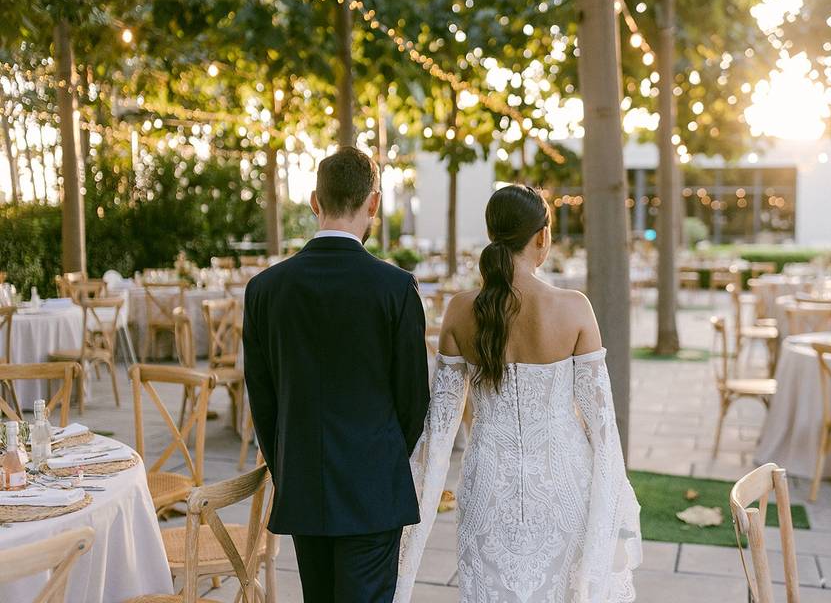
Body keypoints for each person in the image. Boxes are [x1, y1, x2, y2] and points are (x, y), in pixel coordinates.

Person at [395, 185, 642, 602]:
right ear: (542, 237)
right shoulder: (574, 307)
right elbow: (604, 430)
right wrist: (607, 518)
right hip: (565, 483)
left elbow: (438, 434)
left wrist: (409, 536)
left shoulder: (459, 310)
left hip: (487, 484)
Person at [243, 146, 430, 602]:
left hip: (303, 482)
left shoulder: (265, 289)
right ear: (374, 203)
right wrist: (379, 458)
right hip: (372, 488)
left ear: (314, 202)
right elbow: (413, 400)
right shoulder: (395, 288)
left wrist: (290, 465)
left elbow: (263, 402)